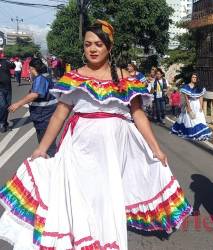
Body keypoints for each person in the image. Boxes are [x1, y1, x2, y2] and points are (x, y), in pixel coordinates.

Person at [0, 20, 192, 250]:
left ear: (109, 47)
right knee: (80, 202)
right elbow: (59, 116)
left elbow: (139, 116)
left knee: (107, 203)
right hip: (78, 152)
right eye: (88, 44)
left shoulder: (126, 79)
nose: (92, 49)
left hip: (113, 154)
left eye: (98, 44)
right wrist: (41, 149)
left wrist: (156, 149)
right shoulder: (74, 78)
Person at [9, 58, 57, 157]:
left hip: (43, 116)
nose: (29, 71)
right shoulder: (48, 75)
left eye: (29, 69)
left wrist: (18, 104)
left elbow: (35, 94)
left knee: (46, 143)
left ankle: (51, 162)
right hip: (48, 113)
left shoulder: (40, 79)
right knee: (49, 141)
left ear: (32, 68)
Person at [171, 73, 212, 140]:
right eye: (193, 77)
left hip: (197, 104)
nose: (194, 79)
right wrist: (189, 107)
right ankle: (191, 132)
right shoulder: (186, 86)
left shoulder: (200, 87)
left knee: (199, 119)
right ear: (191, 78)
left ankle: (199, 133)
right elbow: (186, 98)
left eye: (195, 77)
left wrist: (201, 106)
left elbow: (201, 97)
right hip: (190, 103)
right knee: (190, 119)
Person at [0, 49, 15, 133]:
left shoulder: (5, 61)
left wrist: (9, 60)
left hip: (8, 87)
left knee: (7, 106)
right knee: (2, 105)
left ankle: (4, 123)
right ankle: (2, 123)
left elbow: (13, 66)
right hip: (0, 89)